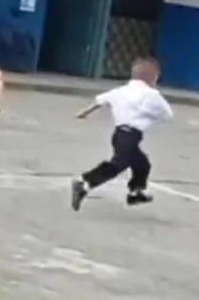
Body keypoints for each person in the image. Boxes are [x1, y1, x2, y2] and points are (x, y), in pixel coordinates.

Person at [71, 58, 174, 211]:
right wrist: (149, 114)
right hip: (130, 135)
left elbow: (99, 101)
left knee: (141, 163)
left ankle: (136, 192)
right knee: (119, 164)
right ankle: (84, 181)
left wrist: (84, 112)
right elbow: (168, 115)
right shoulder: (153, 95)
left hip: (120, 135)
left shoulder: (120, 91)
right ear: (154, 77)